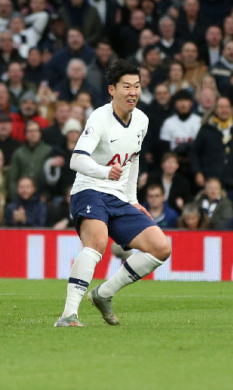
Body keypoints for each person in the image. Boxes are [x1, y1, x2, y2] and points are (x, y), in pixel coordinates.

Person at [56, 59, 171, 328]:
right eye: (126, 86)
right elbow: (76, 160)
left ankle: (104, 293)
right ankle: (68, 315)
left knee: (161, 248)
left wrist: (132, 199)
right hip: (89, 190)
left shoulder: (142, 120)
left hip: (119, 197)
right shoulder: (99, 118)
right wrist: (105, 172)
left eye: (137, 86)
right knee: (97, 241)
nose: (133, 92)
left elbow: (133, 160)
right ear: (112, 89)